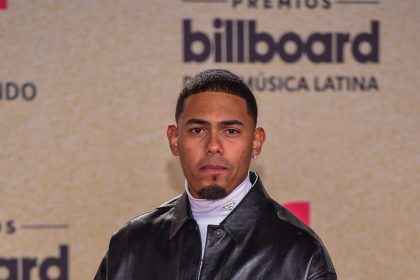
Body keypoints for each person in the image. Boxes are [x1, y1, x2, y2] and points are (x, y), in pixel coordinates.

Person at [94, 69, 337, 279]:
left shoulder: (299, 253)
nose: (213, 145)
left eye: (230, 131)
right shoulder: (130, 244)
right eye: (198, 130)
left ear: (256, 142)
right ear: (175, 139)